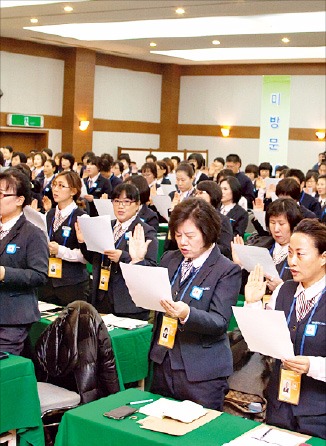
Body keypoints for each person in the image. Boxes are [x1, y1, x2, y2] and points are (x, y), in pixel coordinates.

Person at [147, 198, 242, 410]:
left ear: (207, 234)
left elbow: (219, 322)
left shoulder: (226, 270)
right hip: (164, 360)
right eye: (178, 235)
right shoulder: (169, 259)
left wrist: (187, 313)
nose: (182, 242)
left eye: (190, 236)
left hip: (201, 372)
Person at [245, 219, 326, 439]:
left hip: (318, 414)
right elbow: (261, 341)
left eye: (300, 254)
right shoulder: (284, 290)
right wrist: (253, 304)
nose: (292, 261)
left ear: (323, 257)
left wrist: (312, 365)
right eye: (289, 253)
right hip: (279, 404)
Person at [77, 183, 158, 319]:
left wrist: (123, 257)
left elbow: (150, 267)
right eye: (117, 201)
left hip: (128, 303)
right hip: (102, 297)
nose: (121, 206)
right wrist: (83, 243)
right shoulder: (106, 225)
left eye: (126, 202)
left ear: (137, 204)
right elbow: (93, 259)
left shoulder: (145, 230)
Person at [0, 169, 48, 354]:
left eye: (3, 194)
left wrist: (5, 273)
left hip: (13, 317)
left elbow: (39, 275)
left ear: (20, 200)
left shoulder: (32, 233)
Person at [41, 171, 89, 306]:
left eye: (61, 186)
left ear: (73, 191)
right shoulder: (49, 214)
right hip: (49, 281)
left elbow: (85, 256)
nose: (55, 189)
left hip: (72, 284)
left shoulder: (82, 218)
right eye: (54, 185)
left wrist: (60, 251)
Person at [194, 180, 233, 259]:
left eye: (201, 193)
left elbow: (226, 248)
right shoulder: (192, 217)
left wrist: (203, 246)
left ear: (212, 194)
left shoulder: (222, 220)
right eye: (196, 193)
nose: (196, 196)